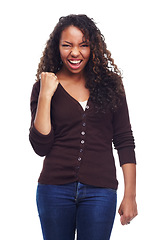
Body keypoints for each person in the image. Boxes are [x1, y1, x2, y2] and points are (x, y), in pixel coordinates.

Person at [29, 14, 138, 240]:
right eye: (67, 45)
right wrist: (45, 95)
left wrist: (130, 195)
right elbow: (40, 146)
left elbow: (124, 140)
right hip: (54, 190)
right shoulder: (44, 87)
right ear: (56, 47)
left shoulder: (110, 85)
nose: (75, 52)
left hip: (100, 191)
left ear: (93, 48)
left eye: (83, 45)